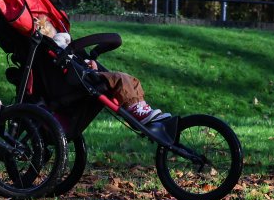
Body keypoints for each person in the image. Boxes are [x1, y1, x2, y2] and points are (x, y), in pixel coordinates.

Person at [32, 15, 170, 124]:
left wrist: (90, 63)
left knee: (132, 81)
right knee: (120, 78)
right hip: (83, 79)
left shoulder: (60, 49)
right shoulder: (57, 45)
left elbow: (74, 61)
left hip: (85, 74)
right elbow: (71, 62)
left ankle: (141, 108)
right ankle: (136, 109)